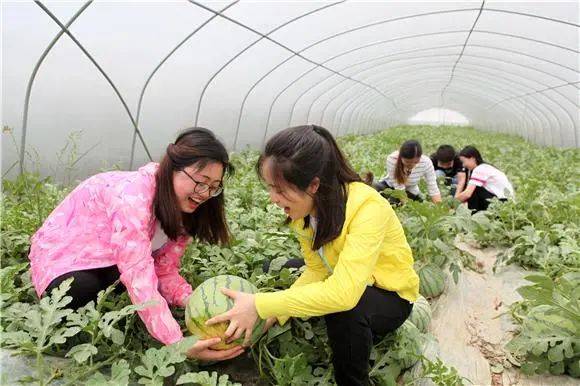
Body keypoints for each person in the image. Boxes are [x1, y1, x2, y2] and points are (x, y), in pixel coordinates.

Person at [207, 125, 419, 386]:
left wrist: (261, 304)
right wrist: (271, 314)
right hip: (343, 275)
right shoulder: (305, 213)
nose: (273, 198)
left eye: (280, 189)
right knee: (273, 266)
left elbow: (344, 294)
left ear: (314, 184)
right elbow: (317, 269)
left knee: (345, 309)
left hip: (390, 296)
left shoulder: (368, 207)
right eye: (270, 188)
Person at [28, 128, 243, 361]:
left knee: (127, 281)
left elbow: (164, 269)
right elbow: (138, 272)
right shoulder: (132, 197)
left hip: (111, 260)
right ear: (173, 167)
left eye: (213, 187)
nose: (204, 194)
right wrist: (177, 343)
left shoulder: (183, 208)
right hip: (64, 257)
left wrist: (193, 300)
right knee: (78, 288)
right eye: (200, 182)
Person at [372, 140, 441, 203]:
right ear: (401, 157)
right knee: (374, 189)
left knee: (393, 201)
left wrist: (439, 207)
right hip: (389, 187)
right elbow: (398, 187)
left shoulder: (426, 162)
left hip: (410, 192)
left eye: (416, 162)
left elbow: (433, 187)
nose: (412, 165)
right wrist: (406, 204)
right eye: (407, 162)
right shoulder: (392, 159)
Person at [455, 145, 514, 212]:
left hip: (502, 202)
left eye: (464, 161)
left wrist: (452, 204)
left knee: (474, 190)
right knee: (474, 188)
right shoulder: (485, 167)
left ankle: (474, 217)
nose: (463, 165)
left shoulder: (479, 169)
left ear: (472, 158)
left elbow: (467, 194)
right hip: (507, 203)